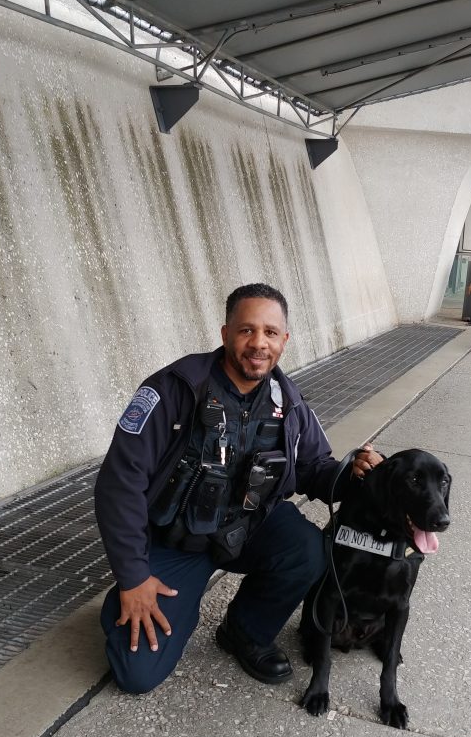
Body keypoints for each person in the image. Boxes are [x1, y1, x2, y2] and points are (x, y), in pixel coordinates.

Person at [94, 283, 381, 694]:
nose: (258, 343)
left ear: (284, 340)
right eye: (246, 330)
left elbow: (316, 468)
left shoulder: (291, 403)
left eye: (269, 332)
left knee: (306, 549)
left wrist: (355, 473)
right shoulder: (173, 390)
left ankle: (244, 631)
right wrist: (133, 578)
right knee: (137, 674)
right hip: (177, 542)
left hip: (248, 528)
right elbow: (118, 486)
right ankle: (129, 598)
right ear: (225, 333)